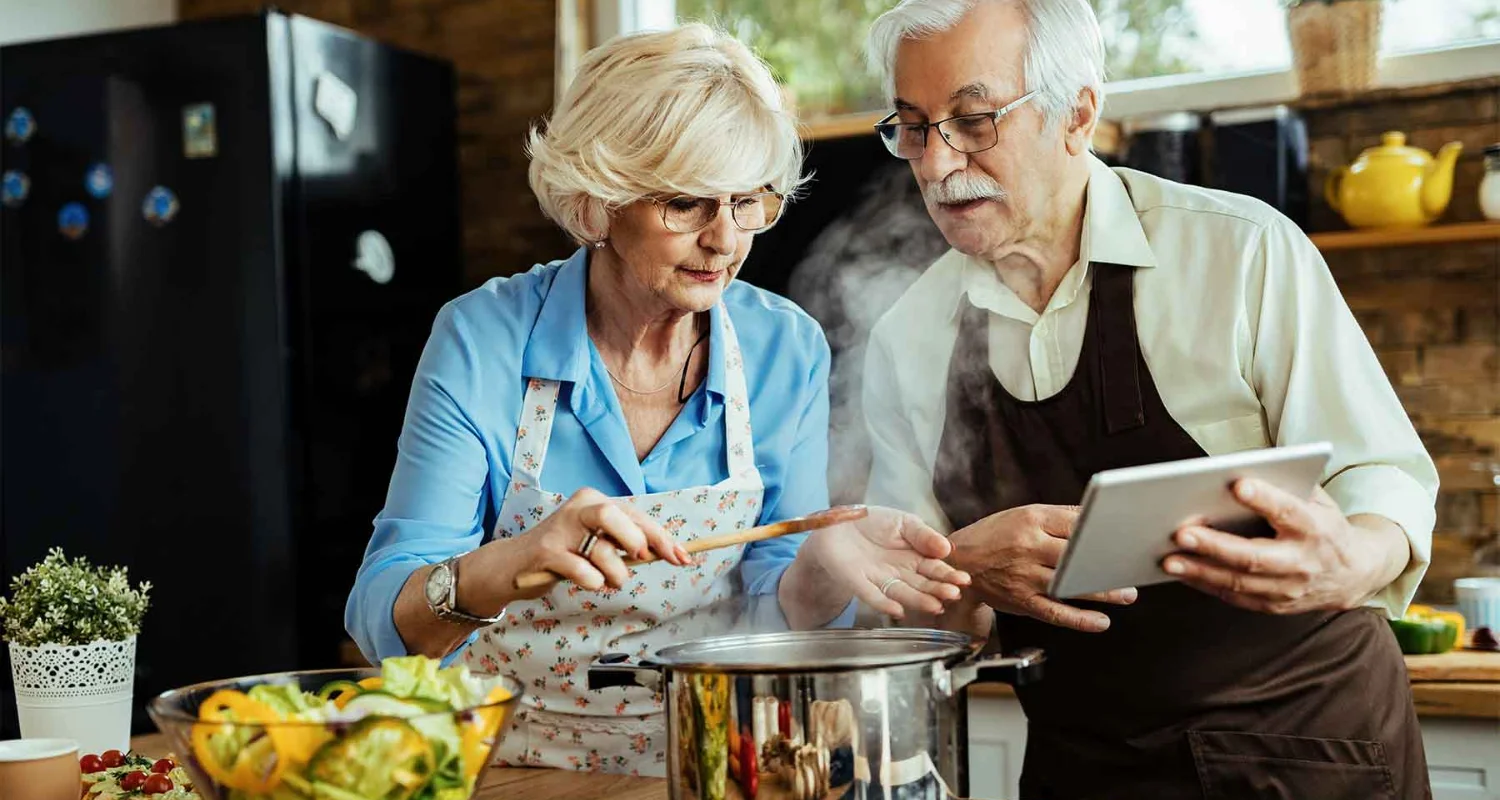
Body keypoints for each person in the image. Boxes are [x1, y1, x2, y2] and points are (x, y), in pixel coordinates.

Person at [345, 24, 969, 775]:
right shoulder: (485, 337)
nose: (725, 240)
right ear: (597, 200)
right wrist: (508, 565)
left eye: (748, 202)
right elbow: (382, 618)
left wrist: (819, 572)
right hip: (501, 770)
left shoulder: (782, 350)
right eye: (686, 204)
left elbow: (768, 608)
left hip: (708, 766)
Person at [860, 1, 1440, 797]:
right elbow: (916, 621)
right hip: (1086, 765)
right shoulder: (906, 337)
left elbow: (1384, 478)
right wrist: (959, 570)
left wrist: (1352, 559)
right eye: (913, 126)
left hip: (1304, 750)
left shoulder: (1241, 251)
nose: (935, 162)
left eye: (974, 118)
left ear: (1079, 113)